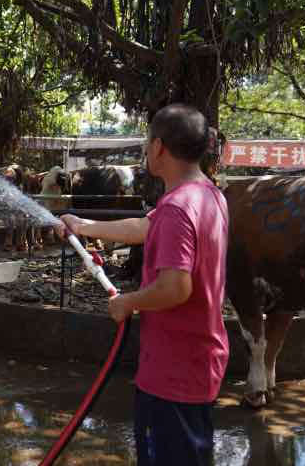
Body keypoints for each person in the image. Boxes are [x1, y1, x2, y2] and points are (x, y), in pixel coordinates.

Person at [54, 103, 229, 466]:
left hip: (173, 371)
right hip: (199, 362)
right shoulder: (206, 195)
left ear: (159, 147)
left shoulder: (178, 208)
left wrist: (128, 302)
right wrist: (82, 225)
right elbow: (145, 228)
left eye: (147, 143)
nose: (146, 150)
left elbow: (176, 287)